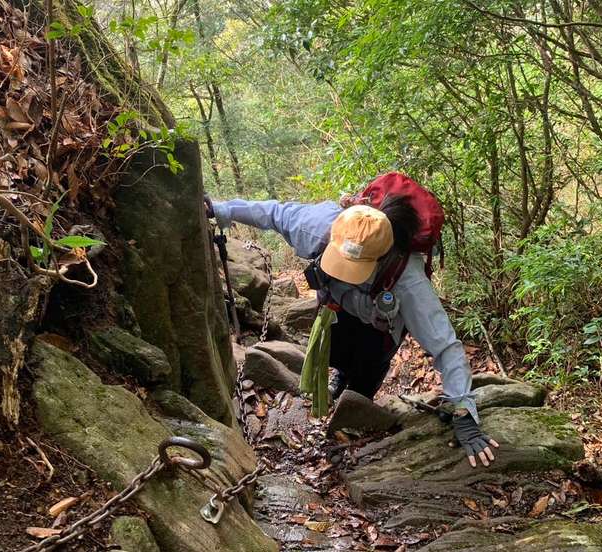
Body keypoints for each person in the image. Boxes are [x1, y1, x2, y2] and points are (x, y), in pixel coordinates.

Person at [206, 194, 499, 469]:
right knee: (336, 353)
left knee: (365, 376)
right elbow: (273, 213)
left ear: (380, 257)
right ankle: (341, 378)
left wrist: (463, 413)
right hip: (337, 313)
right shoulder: (316, 226)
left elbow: (445, 346)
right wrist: (222, 209)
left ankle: (356, 403)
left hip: (379, 330)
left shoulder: (407, 280)